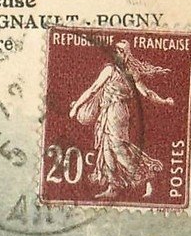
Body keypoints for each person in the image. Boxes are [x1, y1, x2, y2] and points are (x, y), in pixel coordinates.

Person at [69, 40, 174, 199]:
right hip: (110, 112)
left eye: (119, 51)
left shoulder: (117, 70)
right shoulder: (115, 69)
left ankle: (149, 178)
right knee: (107, 149)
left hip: (116, 112)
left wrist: (76, 106)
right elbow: (94, 89)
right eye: (115, 50)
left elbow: (145, 92)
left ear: (125, 54)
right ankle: (113, 187)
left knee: (118, 149)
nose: (115, 53)